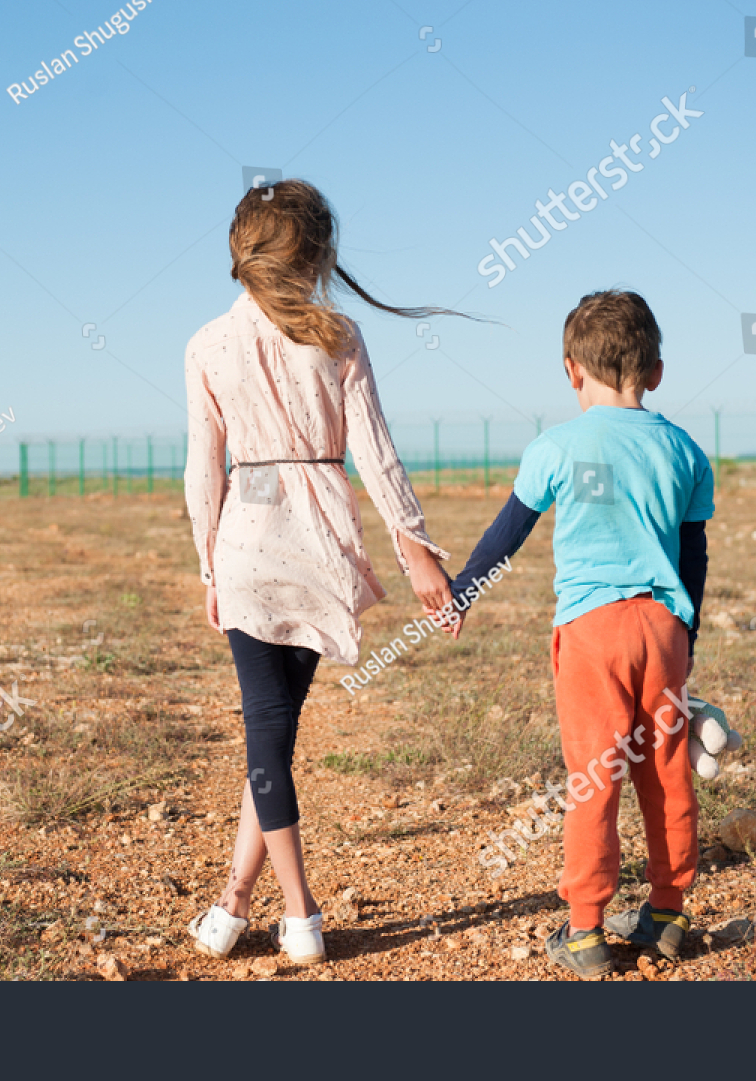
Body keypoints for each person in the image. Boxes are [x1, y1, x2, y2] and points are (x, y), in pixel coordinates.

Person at [183, 179, 462, 965]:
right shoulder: (338, 336)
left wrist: (209, 565)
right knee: (272, 730)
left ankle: (297, 912)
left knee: (267, 733)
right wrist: (414, 547)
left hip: (244, 543)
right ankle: (240, 902)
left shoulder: (205, 343)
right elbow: (375, 452)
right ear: (318, 256)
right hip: (318, 545)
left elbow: (202, 473)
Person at [442, 289, 712, 978]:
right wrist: (687, 631)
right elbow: (694, 553)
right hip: (663, 625)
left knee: (594, 777)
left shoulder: (556, 446)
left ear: (572, 371)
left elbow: (509, 532)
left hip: (591, 632)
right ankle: (669, 913)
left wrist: (461, 593)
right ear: (656, 372)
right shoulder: (684, 450)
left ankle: (587, 931)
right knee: (667, 772)